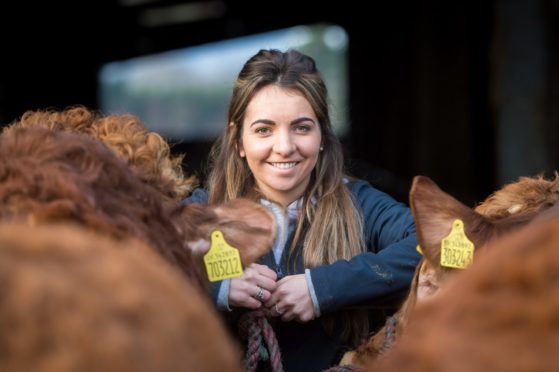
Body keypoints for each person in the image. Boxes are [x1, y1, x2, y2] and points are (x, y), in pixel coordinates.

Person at [184, 48, 420, 372]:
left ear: (322, 135)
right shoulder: (204, 210)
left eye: (302, 128)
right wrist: (218, 286)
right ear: (238, 140)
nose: (284, 147)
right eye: (264, 130)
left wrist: (322, 288)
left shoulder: (360, 203)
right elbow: (138, 259)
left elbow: (433, 244)